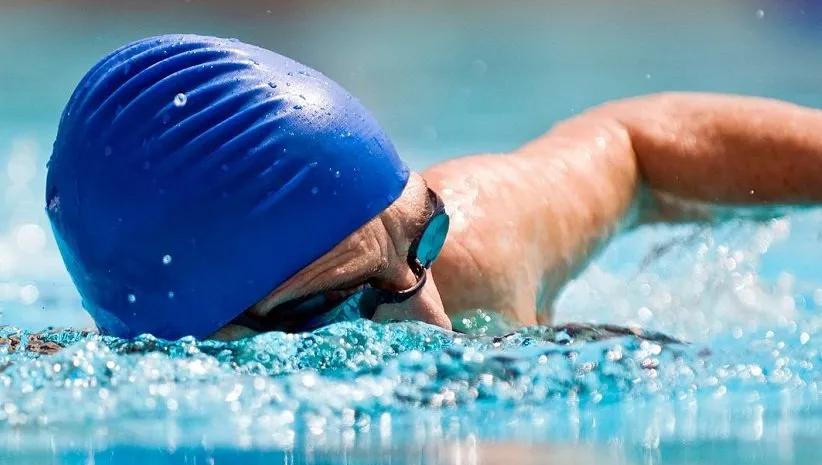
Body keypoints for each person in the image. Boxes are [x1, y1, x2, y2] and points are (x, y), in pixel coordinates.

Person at [45, 34, 822, 341]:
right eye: (344, 302)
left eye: (424, 234)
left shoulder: (471, 263)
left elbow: (632, 146)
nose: (434, 318)